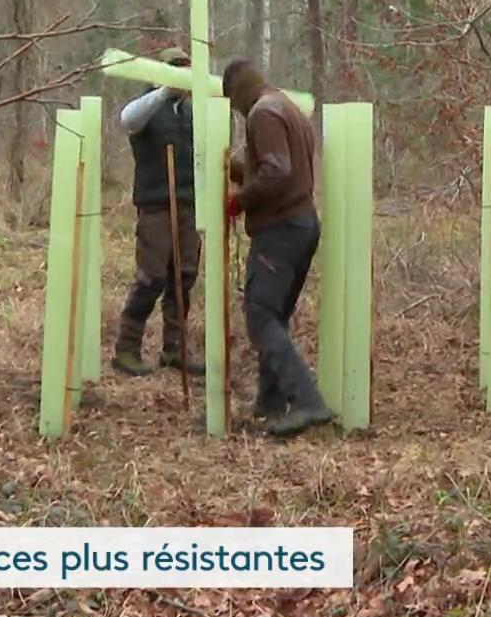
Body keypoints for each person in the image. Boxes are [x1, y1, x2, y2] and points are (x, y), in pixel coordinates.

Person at [222, 57, 332, 437]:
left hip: (280, 229)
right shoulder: (288, 108)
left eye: (234, 105)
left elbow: (277, 171)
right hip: (302, 224)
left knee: (260, 314)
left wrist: (239, 201)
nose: (237, 114)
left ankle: (307, 402)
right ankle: (270, 403)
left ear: (238, 92)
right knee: (275, 314)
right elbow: (285, 166)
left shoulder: (262, 113)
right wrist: (235, 167)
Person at [112, 47, 205, 377]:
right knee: (151, 277)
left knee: (184, 278)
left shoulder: (193, 113)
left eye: (185, 69)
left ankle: (174, 349)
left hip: (188, 205)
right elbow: (127, 120)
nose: (182, 76)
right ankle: (126, 349)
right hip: (155, 205)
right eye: (175, 69)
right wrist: (166, 88)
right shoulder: (147, 107)